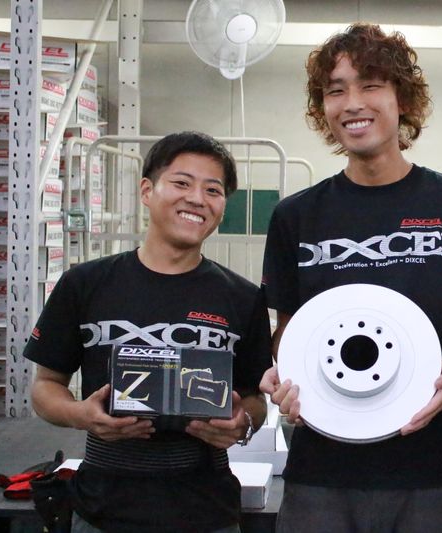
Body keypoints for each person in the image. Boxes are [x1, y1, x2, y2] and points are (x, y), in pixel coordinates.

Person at [258, 23, 442, 533]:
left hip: (428, 470)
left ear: (403, 99)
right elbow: (288, 328)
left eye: (370, 85)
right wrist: (282, 372)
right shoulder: (295, 217)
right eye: (336, 91)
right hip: (320, 474)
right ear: (323, 109)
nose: (352, 103)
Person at [24, 131, 273, 533]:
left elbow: (254, 398)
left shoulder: (243, 298)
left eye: (213, 190)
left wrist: (242, 423)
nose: (197, 199)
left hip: (208, 512)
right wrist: (79, 414)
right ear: (146, 190)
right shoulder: (84, 284)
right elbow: (45, 386)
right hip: (101, 510)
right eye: (181, 183)